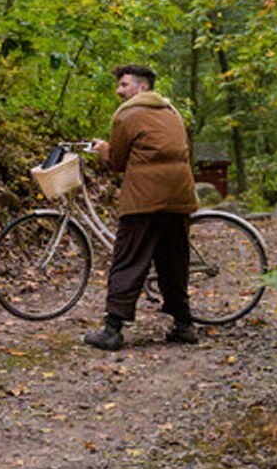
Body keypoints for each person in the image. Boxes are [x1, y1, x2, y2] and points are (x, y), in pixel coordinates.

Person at [83, 63, 198, 351]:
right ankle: (184, 325)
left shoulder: (127, 115)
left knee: (128, 259)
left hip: (144, 199)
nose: (118, 91)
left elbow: (117, 163)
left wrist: (102, 149)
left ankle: (112, 330)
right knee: (174, 262)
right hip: (179, 196)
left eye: (124, 85)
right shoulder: (172, 113)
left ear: (141, 87)